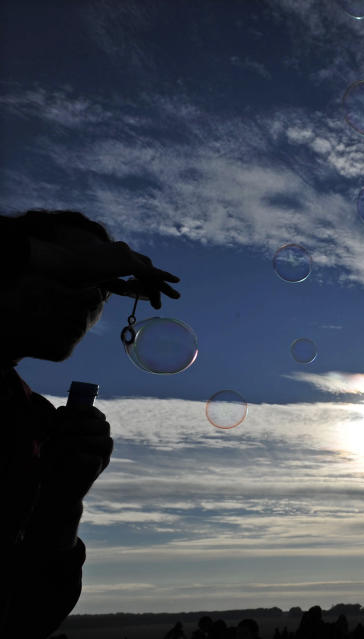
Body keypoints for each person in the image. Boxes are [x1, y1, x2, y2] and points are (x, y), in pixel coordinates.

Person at [0, 209, 181, 637]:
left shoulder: (34, 419)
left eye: (102, 285)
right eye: (70, 269)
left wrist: (64, 501)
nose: (90, 296)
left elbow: (29, 619)